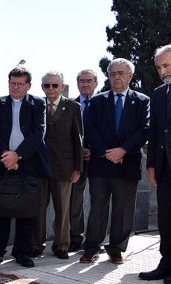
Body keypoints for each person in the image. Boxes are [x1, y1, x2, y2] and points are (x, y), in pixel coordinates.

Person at [81, 58, 149, 265]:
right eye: (113, 73)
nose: (116, 77)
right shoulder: (97, 101)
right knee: (97, 208)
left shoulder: (142, 100)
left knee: (123, 209)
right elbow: (89, 129)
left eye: (121, 73)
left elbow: (145, 129)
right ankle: (91, 248)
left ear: (130, 76)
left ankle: (117, 249)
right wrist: (106, 152)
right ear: (108, 77)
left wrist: (123, 150)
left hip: (127, 164)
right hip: (101, 164)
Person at [0, 66, 49, 268]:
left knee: (26, 211)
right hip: (2, 162)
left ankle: (21, 253)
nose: (15, 87)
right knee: (1, 210)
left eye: (20, 84)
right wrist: (6, 155)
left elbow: (38, 133)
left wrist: (18, 155)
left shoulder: (38, 104)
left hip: (29, 163)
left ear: (28, 85)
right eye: (12, 83)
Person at [139, 45, 171, 284]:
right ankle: (167, 263)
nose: (161, 71)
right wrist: (152, 166)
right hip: (164, 169)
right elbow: (155, 132)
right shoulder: (158, 94)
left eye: (166, 65)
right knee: (167, 219)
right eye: (158, 67)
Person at [31, 71, 83, 259]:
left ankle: (61, 246)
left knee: (63, 209)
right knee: (38, 208)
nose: (51, 89)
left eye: (55, 85)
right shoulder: (36, 105)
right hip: (40, 166)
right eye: (47, 85)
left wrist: (78, 167)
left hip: (64, 167)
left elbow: (78, 138)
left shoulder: (73, 107)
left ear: (62, 87)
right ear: (42, 87)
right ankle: (36, 244)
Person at [69, 69, 99, 252]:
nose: (85, 84)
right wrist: (80, 151)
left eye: (89, 81)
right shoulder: (70, 105)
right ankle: (75, 237)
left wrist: (94, 149)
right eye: (81, 81)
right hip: (76, 160)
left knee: (99, 200)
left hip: (99, 159)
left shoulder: (103, 103)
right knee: (75, 200)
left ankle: (94, 239)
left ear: (96, 83)